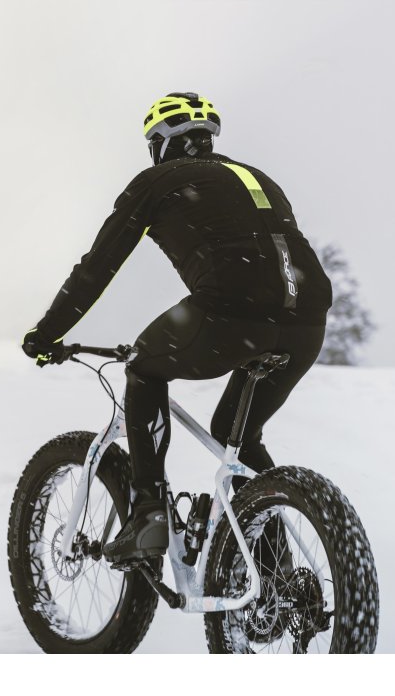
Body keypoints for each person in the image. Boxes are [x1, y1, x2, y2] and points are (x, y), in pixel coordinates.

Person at [22, 92, 332, 564]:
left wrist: (47, 333)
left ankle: (148, 514)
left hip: (229, 315)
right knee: (236, 434)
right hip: (306, 324)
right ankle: (276, 573)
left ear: (161, 142)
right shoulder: (259, 178)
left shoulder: (156, 180)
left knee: (144, 368)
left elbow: (97, 266)